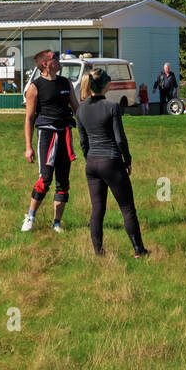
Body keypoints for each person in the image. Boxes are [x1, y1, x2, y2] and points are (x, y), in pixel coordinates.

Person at [76, 67, 148, 258]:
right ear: (106, 85)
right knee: (127, 208)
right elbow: (119, 139)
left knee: (97, 210)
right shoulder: (112, 107)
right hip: (111, 160)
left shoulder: (80, 109)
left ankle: (99, 253)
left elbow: (83, 141)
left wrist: (89, 158)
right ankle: (139, 250)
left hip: (91, 163)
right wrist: (128, 160)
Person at [21, 49, 78, 234]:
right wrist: (28, 147)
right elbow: (29, 118)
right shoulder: (34, 87)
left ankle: (57, 223)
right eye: (55, 58)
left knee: (63, 181)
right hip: (46, 135)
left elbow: (76, 108)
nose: (59, 60)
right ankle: (30, 217)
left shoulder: (66, 82)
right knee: (45, 180)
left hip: (65, 134)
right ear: (45, 64)